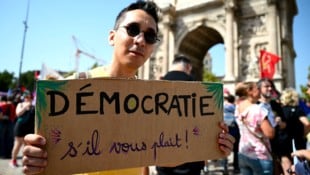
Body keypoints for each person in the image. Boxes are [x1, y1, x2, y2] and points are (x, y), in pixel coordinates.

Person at [22, 1, 235, 175]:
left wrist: (210, 144)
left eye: (150, 36)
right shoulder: (70, 89)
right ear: (112, 36)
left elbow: (162, 158)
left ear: (153, 47)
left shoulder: (154, 100)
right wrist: (36, 159)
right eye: (132, 30)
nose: (141, 40)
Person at [155, 54, 205, 175]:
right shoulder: (197, 85)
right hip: (190, 154)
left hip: (162, 151)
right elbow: (203, 121)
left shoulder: (156, 85)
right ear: (188, 67)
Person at [235, 81, 275, 175]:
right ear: (250, 92)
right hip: (259, 154)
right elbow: (270, 133)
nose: (260, 91)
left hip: (243, 152)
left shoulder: (238, 107)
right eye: (257, 88)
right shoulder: (257, 109)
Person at [257, 78, 286, 175]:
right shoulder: (255, 106)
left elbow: (285, 125)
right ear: (259, 89)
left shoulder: (276, 105)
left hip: (275, 147)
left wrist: (281, 123)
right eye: (266, 86)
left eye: (271, 87)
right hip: (259, 148)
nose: (270, 89)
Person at [10, 90, 35, 168]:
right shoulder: (20, 104)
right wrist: (25, 106)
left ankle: (25, 162)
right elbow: (18, 114)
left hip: (29, 128)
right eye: (26, 97)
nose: (27, 99)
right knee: (17, 145)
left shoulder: (33, 106)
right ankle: (13, 160)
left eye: (29, 97)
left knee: (26, 146)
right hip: (20, 127)